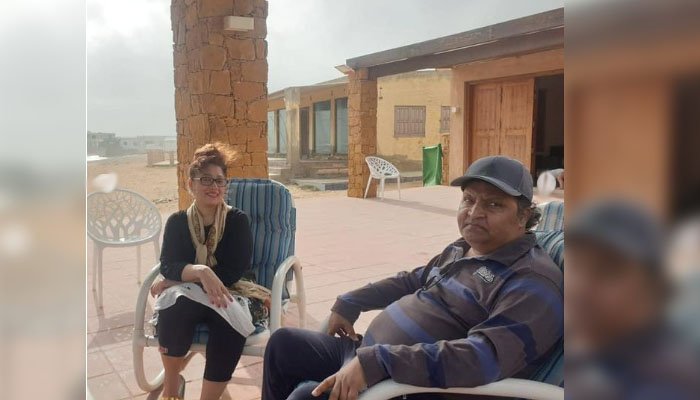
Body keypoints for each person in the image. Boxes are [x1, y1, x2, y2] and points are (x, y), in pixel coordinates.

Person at [262, 156, 564, 400]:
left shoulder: (531, 282)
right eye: (469, 199)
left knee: (306, 395)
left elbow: (482, 358)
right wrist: (351, 301)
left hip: (411, 386)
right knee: (284, 344)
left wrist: (380, 362)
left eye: (493, 204)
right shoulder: (463, 248)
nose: (474, 213)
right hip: (373, 358)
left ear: (524, 216)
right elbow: (413, 280)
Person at [149, 143, 254, 400]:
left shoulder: (237, 221)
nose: (214, 186)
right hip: (189, 293)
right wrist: (200, 271)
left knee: (229, 322)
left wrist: (178, 279)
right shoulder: (177, 222)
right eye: (206, 179)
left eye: (219, 180)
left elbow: (233, 271)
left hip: (230, 290)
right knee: (174, 306)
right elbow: (167, 264)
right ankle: (171, 390)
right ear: (190, 185)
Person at [565, 200, 700, 399]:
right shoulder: (594, 348)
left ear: (654, 287)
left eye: (606, 270)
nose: (580, 287)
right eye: (576, 266)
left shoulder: (665, 383)